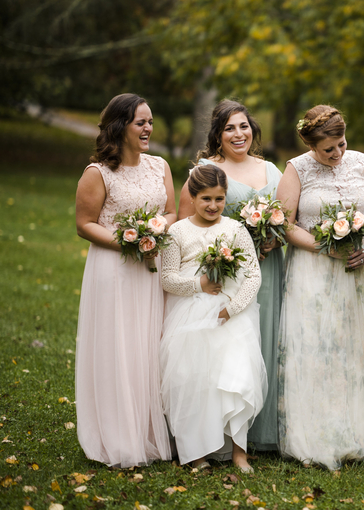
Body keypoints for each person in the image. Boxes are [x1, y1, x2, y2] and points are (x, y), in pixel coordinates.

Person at [274, 105, 364, 468]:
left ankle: (361, 433)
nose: (337, 154)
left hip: (360, 271)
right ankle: (321, 435)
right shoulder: (296, 169)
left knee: (360, 346)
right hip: (314, 272)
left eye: (341, 144)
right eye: (328, 149)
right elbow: (284, 225)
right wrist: (328, 248)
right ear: (310, 145)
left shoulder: (360, 161)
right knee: (321, 348)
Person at [74, 93, 175, 467]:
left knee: (147, 343)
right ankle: (116, 436)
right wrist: (129, 242)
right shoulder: (97, 173)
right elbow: (84, 225)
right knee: (116, 344)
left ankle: (147, 431)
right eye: (141, 122)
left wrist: (156, 231)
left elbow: (171, 210)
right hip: (113, 270)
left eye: (150, 121)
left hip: (151, 268)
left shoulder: (159, 165)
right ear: (120, 127)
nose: (148, 128)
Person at [178, 99, 283, 452]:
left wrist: (272, 237)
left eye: (243, 126)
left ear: (252, 129)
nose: (238, 134)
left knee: (264, 340)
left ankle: (260, 431)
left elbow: (287, 215)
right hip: (221, 276)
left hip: (267, 267)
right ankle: (216, 433)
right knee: (223, 350)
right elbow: (184, 228)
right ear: (217, 135)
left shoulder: (271, 170)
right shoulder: (205, 171)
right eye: (229, 128)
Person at [160, 164, 266, 473]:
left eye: (219, 199)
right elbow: (167, 278)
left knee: (236, 376)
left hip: (231, 314)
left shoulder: (234, 229)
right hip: (190, 313)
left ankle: (239, 452)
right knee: (192, 378)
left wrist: (231, 308)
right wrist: (199, 285)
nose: (212, 206)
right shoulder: (177, 231)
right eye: (206, 199)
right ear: (192, 197)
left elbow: (253, 275)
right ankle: (196, 452)